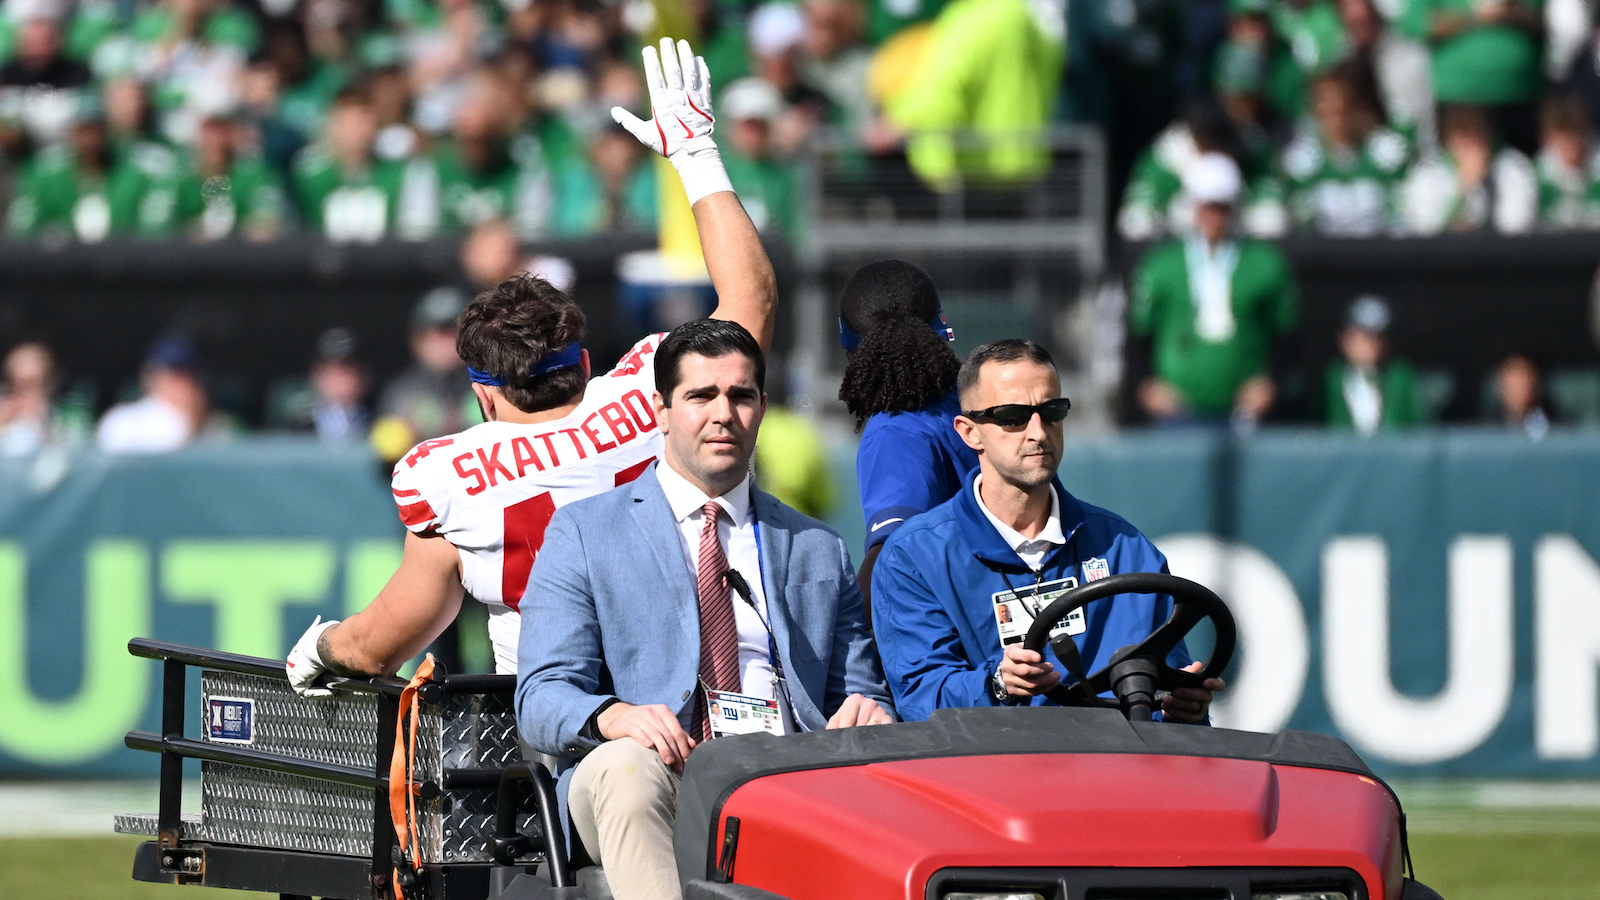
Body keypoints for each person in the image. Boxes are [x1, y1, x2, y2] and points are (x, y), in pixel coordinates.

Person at [286, 36, 779, 686]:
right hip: (702, 694)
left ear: (482, 392)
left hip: (562, 742)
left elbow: (380, 644)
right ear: (580, 355)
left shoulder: (449, 475)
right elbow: (752, 295)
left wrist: (320, 648)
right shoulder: (650, 397)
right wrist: (695, 152)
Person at [516, 318, 893, 900]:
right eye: (701, 396)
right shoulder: (586, 532)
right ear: (661, 411)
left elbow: (862, 692)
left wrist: (868, 712)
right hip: (651, 772)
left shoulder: (817, 546)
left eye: (740, 396)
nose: (723, 413)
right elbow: (541, 696)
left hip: (787, 770)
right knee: (627, 769)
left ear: (762, 408)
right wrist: (614, 717)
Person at [870, 339, 1225, 722]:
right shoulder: (913, 557)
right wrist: (997, 684)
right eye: (1012, 416)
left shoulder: (1127, 548)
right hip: (988, 775)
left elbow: (1167, 692)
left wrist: (1183, 710)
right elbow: (920, 698)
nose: (1038, 431)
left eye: (1052, 411)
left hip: (1116, 771)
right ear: (970, 432)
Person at [837, 259, 977, 611]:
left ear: (852, 353)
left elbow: (893, 558)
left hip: (957, 639)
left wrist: (844, 635)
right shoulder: (979, 402)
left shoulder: (895, 429)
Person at [1129, 153, 1298, 426]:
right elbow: (1138, 333)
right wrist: (1146, 384)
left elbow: (1287, 332)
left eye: (1222, 207)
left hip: (1244, 408)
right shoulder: (1161, 265)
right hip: (1177, 407)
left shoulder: (1264, 263)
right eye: (1207, 206)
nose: (1214, 216)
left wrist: (1270, 380)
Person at [1281, 62, 1411, 236]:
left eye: (1340, 105)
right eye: (1327, 106)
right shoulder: (1301, 162)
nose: (1336, 116)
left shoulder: (1385, 152)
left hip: (1380, 253)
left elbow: (1401, 213)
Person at [368, 286, 479, 463]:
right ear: (417, 340)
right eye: (439, 333)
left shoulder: (492, 387)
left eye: (454, 333)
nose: (447, 343)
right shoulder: (400, 393)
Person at [1400, 103, 1536, 234]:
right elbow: (1425, 230)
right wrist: (1464, 188)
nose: (1468, 138)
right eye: (1460, 126)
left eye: (1475, 124)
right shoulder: (1428, 172)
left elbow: (1516, 227)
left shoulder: (1512, 166)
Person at [96, 333, 225, 453]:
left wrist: (198, 421)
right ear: (151, 377)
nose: (185, 382)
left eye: (190, 374)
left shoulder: (217, 427)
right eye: (176, 374)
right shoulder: (124, 421)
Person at [1321, 295, 1424, 435]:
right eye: (1366, 337)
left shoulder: (1399, 375)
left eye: (1379, 337)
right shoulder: (1333, 376)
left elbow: (1417, 424)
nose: (1374, 345)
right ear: (1345, 339)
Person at [0, 340, 91, 455]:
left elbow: (77, 453)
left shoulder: (68, 415)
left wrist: (43, 422)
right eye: (17, 384)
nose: (24, 393)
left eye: (33, 384)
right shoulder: (4, 416)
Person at [1490, 350, 1556, 440]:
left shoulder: (1555, 426)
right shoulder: (1484, 428)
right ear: (1500, 386)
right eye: (1513, 385)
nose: (1518, 390)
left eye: (1523, 382)